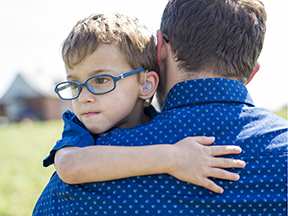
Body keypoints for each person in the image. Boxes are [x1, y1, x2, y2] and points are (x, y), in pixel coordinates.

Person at [33, 12, 246, 215]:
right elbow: (70, 166)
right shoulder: (77, 128)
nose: (82, 97)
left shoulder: (162, 123)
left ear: (146, 85)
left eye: (100, 80)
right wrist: (173, 157)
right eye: (74, 84)